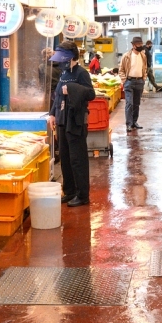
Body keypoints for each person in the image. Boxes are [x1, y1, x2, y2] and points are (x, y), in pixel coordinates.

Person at [47, 41, 95, 207]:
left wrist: (72, 88)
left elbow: (91, 94)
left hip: (75, 121)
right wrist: (52, 113)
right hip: (61, 118)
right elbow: (58, 95)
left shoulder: (82, 73)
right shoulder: (63, 72)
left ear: (71, 57)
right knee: (66, 158)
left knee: (77, 159)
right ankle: (69, 191)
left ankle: (82, 195)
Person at [118, 36, 147, 131]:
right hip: (129, 82)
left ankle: (134, 122)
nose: (140, 46)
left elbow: (145, 68)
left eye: (141, 44)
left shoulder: (143, 56)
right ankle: (129, 124)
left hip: (139, 82)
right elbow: (121, 69)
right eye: (138, 44)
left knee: (136, 103)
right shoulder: (126, 56)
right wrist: (124, 80)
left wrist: (144, 78)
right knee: (129, 103)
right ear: (133, 45)